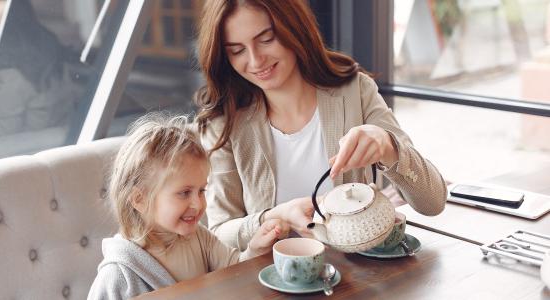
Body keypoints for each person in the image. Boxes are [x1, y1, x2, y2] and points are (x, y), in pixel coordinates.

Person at [194, 0, 447, 251]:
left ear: (294, 29)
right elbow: (219, 235)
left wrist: (389, 147)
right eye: (237, 50)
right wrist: (275, 216)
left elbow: (433, 202)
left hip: (363, 276)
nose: (256, 60)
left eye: (267, 39)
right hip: (275, 282)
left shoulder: (355, 92)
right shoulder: (224, 124)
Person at [87, 113, 288, 300]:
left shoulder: (200, 238)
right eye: (184, 193)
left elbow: (234, 272)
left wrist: (254, 250)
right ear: (139, 199)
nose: (198, 203)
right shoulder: (118, 274)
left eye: (201, 190)